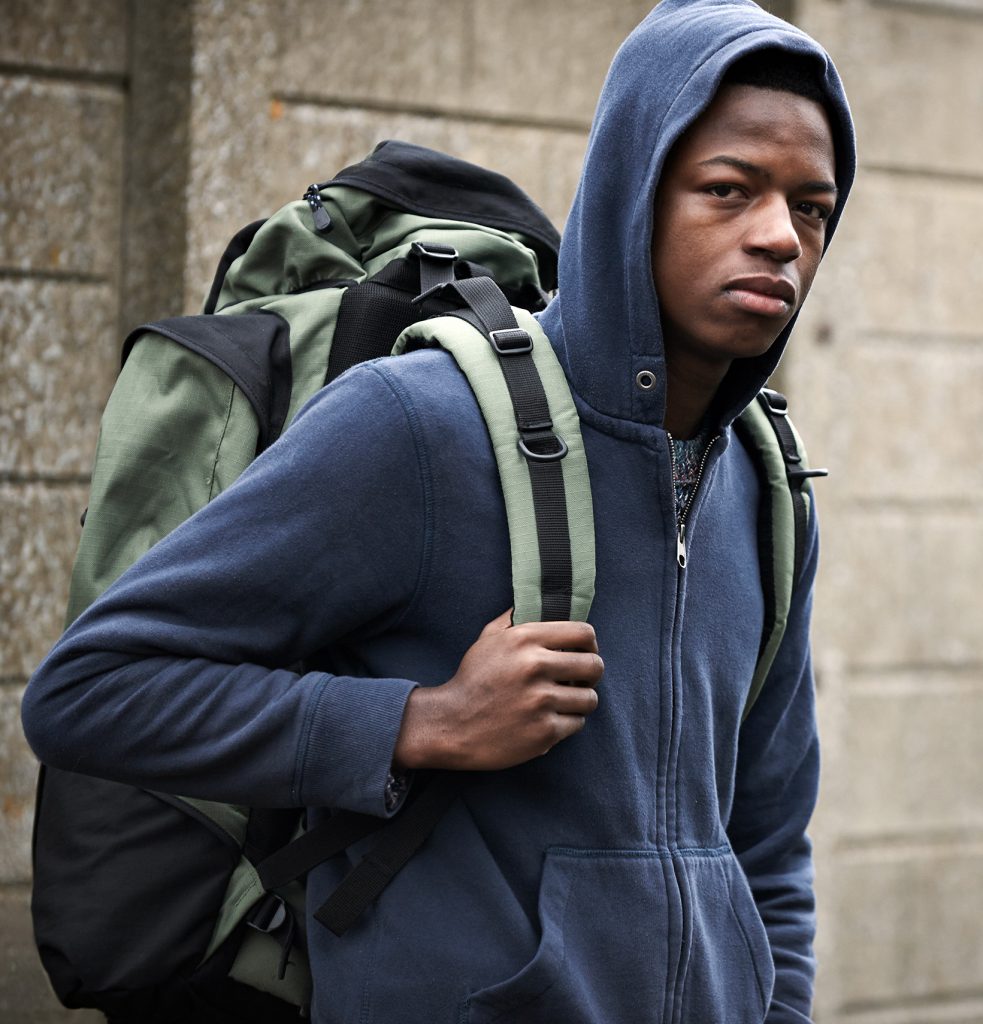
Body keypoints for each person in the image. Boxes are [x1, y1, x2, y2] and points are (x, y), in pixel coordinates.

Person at [23, 0, 856, 1021]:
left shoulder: (767, 484)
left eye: (809, 207)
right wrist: (417, 722)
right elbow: (90, 690)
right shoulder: (419, 424)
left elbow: (766, 845)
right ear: (632, 196)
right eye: (727, 190)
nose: (777, 236)